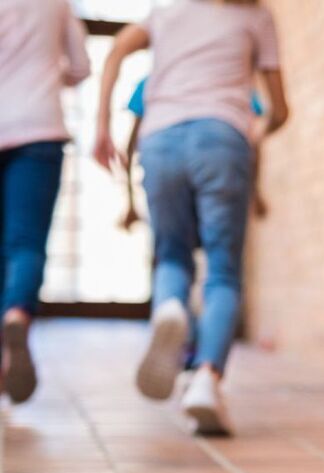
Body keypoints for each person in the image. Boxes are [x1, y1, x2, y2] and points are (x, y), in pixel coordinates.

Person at [94, 0, 289, 435]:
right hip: (221, 136)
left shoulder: (166, 13)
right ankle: (206, 379)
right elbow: (279, 108)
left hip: (159, 140)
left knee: (171, 256)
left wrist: (102, 125)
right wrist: (257, 132)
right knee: (222, 270)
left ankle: (169, 307)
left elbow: (117, 48)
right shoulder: (255, 16)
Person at [0, 0, 91, 404]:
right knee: (27, 242)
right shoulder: (57, 3)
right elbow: (81, 67)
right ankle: (18, 313)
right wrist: (51, 74)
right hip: (40, 126)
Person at [119, 78, 270, 230]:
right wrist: (130, 203)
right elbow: (252, 141)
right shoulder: (233, 78)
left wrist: (255, 192)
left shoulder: (232, 77)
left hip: (198, 172)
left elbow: (252, 141)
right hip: (205, 171)